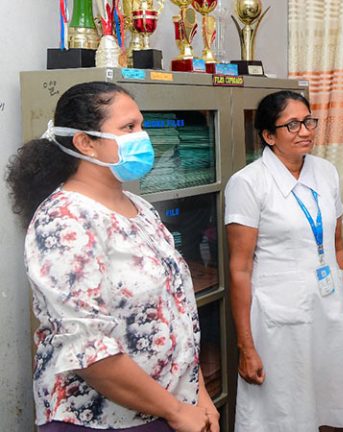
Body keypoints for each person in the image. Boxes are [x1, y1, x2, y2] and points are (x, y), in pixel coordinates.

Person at [4, 81, 218, 431]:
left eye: (141, 125)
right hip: (103, 418)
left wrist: (197, 394)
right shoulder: (64, 221)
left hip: (169, 407)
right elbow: (90, 351)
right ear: (85, 142)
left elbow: (176, 309)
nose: (143, 137)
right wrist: (177, 411)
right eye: (128, 128)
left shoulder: (139, 208)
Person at [224, 90, 343, 432]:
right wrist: (245, 346)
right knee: (287, 415)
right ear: (268, 135)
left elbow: (336, 248)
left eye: (308, 121)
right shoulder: (248, 183)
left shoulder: (325, 172)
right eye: (292, 124)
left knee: (339, 408)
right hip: (279, 319)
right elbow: (240, 270)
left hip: (328, 308)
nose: (305, 130)